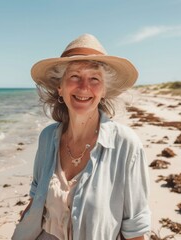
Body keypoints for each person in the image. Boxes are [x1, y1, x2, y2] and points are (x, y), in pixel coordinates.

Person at [12, 34, 151, 240]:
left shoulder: (126, 144)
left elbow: (136, 229)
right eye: (74, 76)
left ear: (103, 90)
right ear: (60, 88)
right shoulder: (47, 137)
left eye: (94, 79)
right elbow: (35, 199)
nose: (84, 87)